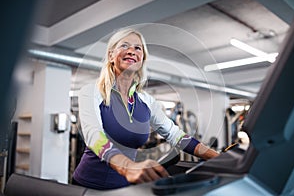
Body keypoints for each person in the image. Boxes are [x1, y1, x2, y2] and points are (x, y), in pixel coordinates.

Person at [72, 27, 219, 190]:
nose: (131, 51)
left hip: (124, 187)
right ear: (111, 56)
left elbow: (175, 135)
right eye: (124, 46)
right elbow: (94, 136)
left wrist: (217, 158)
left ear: (142, 59)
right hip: (88, 186)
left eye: (137, 48)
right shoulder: (91, 92)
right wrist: (127, 166)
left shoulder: (146, 101)